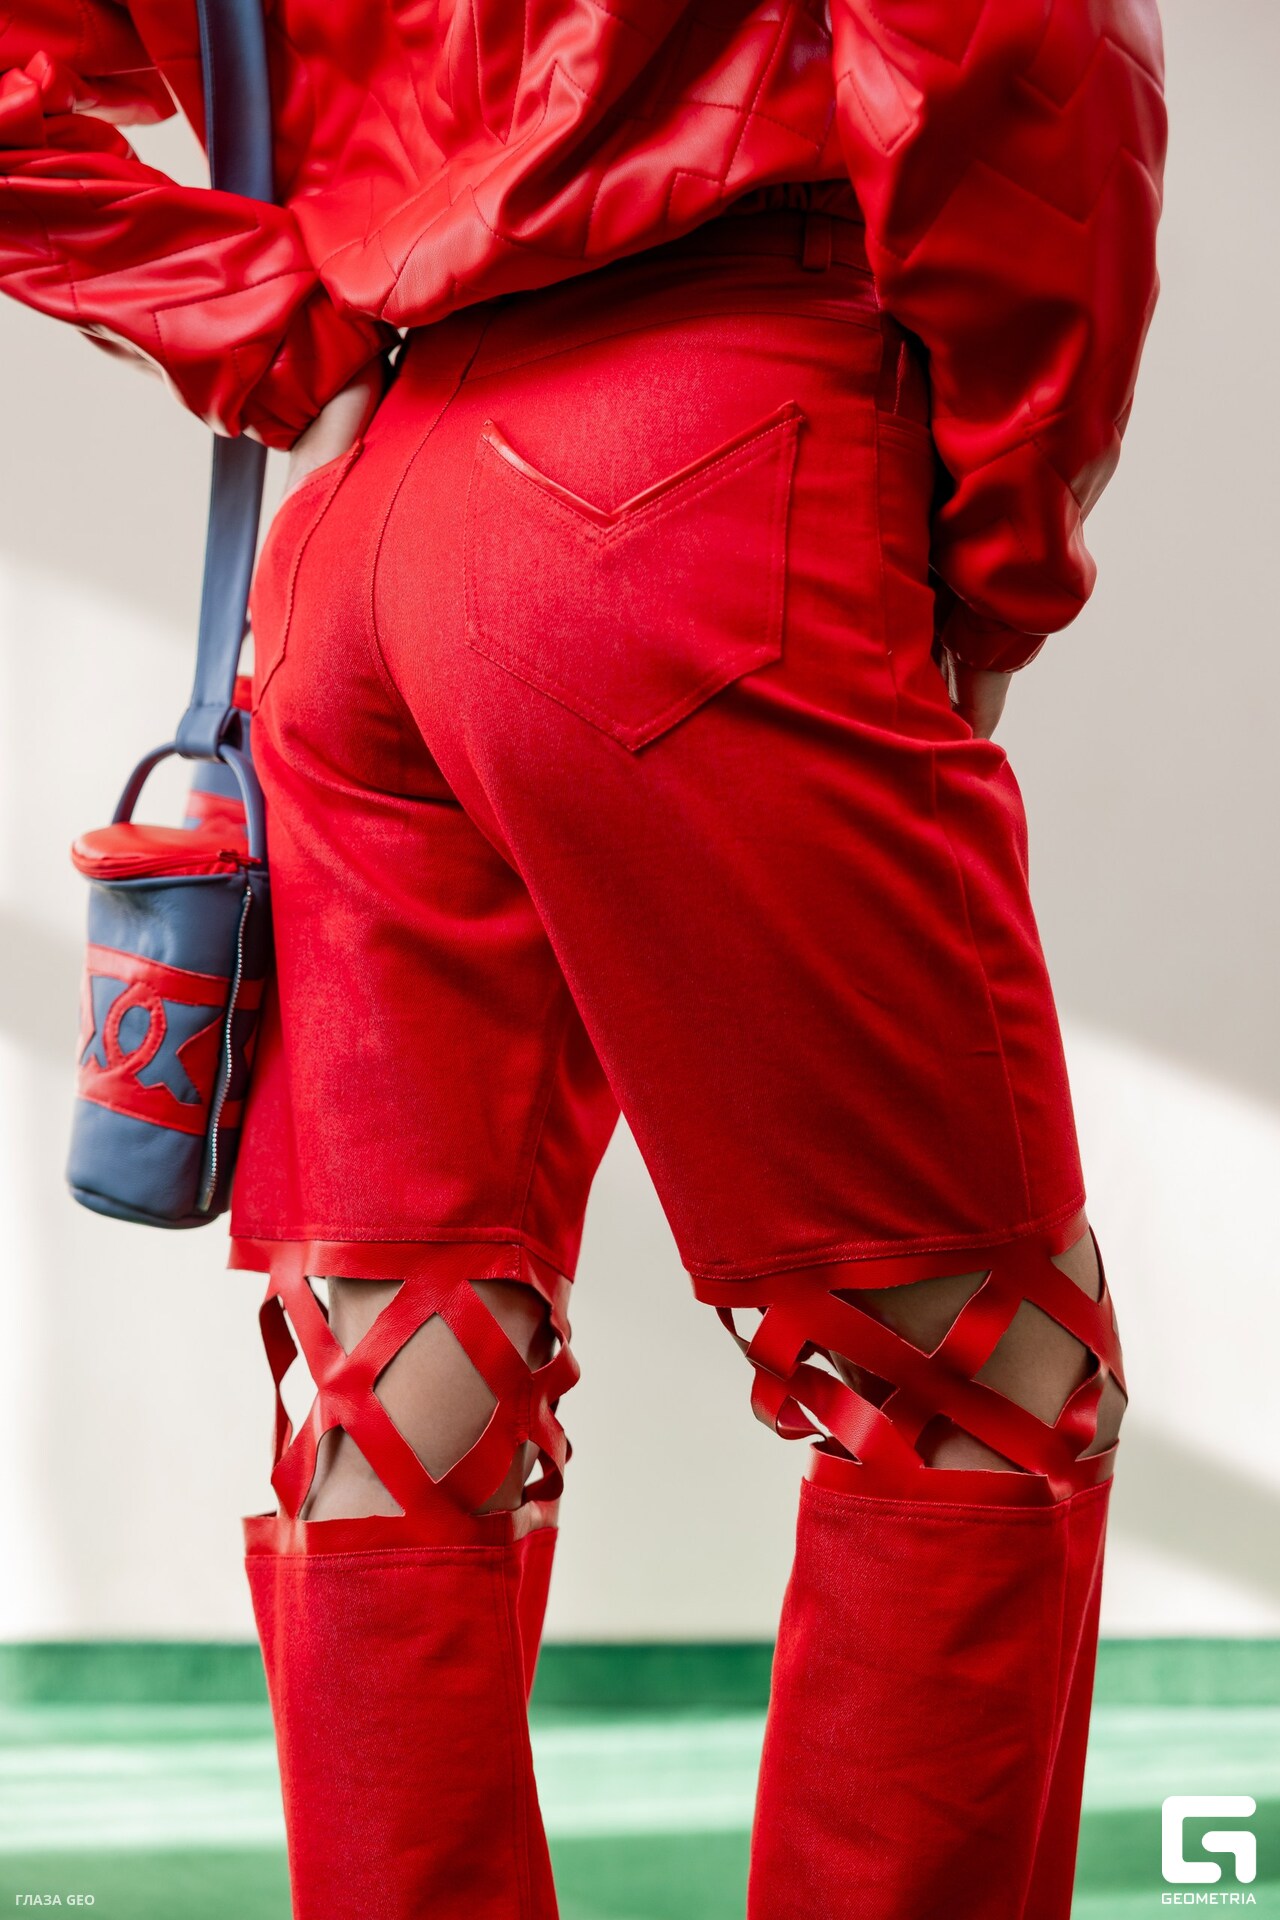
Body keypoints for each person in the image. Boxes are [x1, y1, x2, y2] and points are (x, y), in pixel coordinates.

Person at [0, 3, 1167, 1915]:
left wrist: (267, 330)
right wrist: (1006, 544)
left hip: (362, 536)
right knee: (975, 1379)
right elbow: (1012, 43)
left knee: (399, 1386)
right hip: (706, 453)